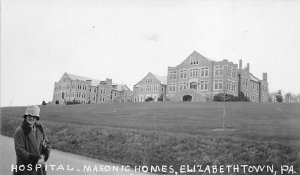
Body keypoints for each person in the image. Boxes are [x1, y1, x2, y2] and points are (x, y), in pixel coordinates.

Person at [13, 105, 50, 175]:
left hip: (39, 168)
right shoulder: (20, 131)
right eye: (29, 115)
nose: (31, 118)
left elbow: (46, 143)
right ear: (26, 116)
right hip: (25, 168)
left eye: (34, 116)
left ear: (37, 118)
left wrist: (44, 155)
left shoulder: (40, 128)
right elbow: (19, 150)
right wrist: (36, 160)